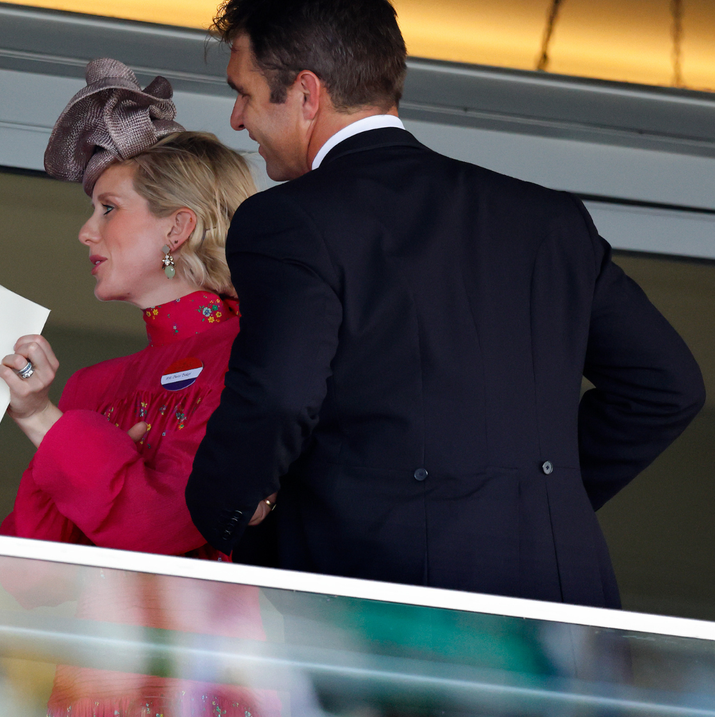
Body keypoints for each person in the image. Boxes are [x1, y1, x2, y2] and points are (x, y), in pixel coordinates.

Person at [186, 0, 705, 608]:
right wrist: (536, 499)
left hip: (385, 604)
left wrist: (222, 504)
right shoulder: (547, 220)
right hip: (564, 598)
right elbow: (667, 386)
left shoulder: (288, 220)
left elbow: (278, 393)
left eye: (244, 93)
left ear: (307, 93)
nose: (237, 118)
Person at [0, 59, 277, 717]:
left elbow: (159, 523)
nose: (85, 232)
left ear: (177, 229)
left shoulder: (253, 357)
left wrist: (46, 424)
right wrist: (68, 433)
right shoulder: (94, 386)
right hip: (93, 689)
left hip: (202, 688)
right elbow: (28, 577)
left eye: (109, 208)